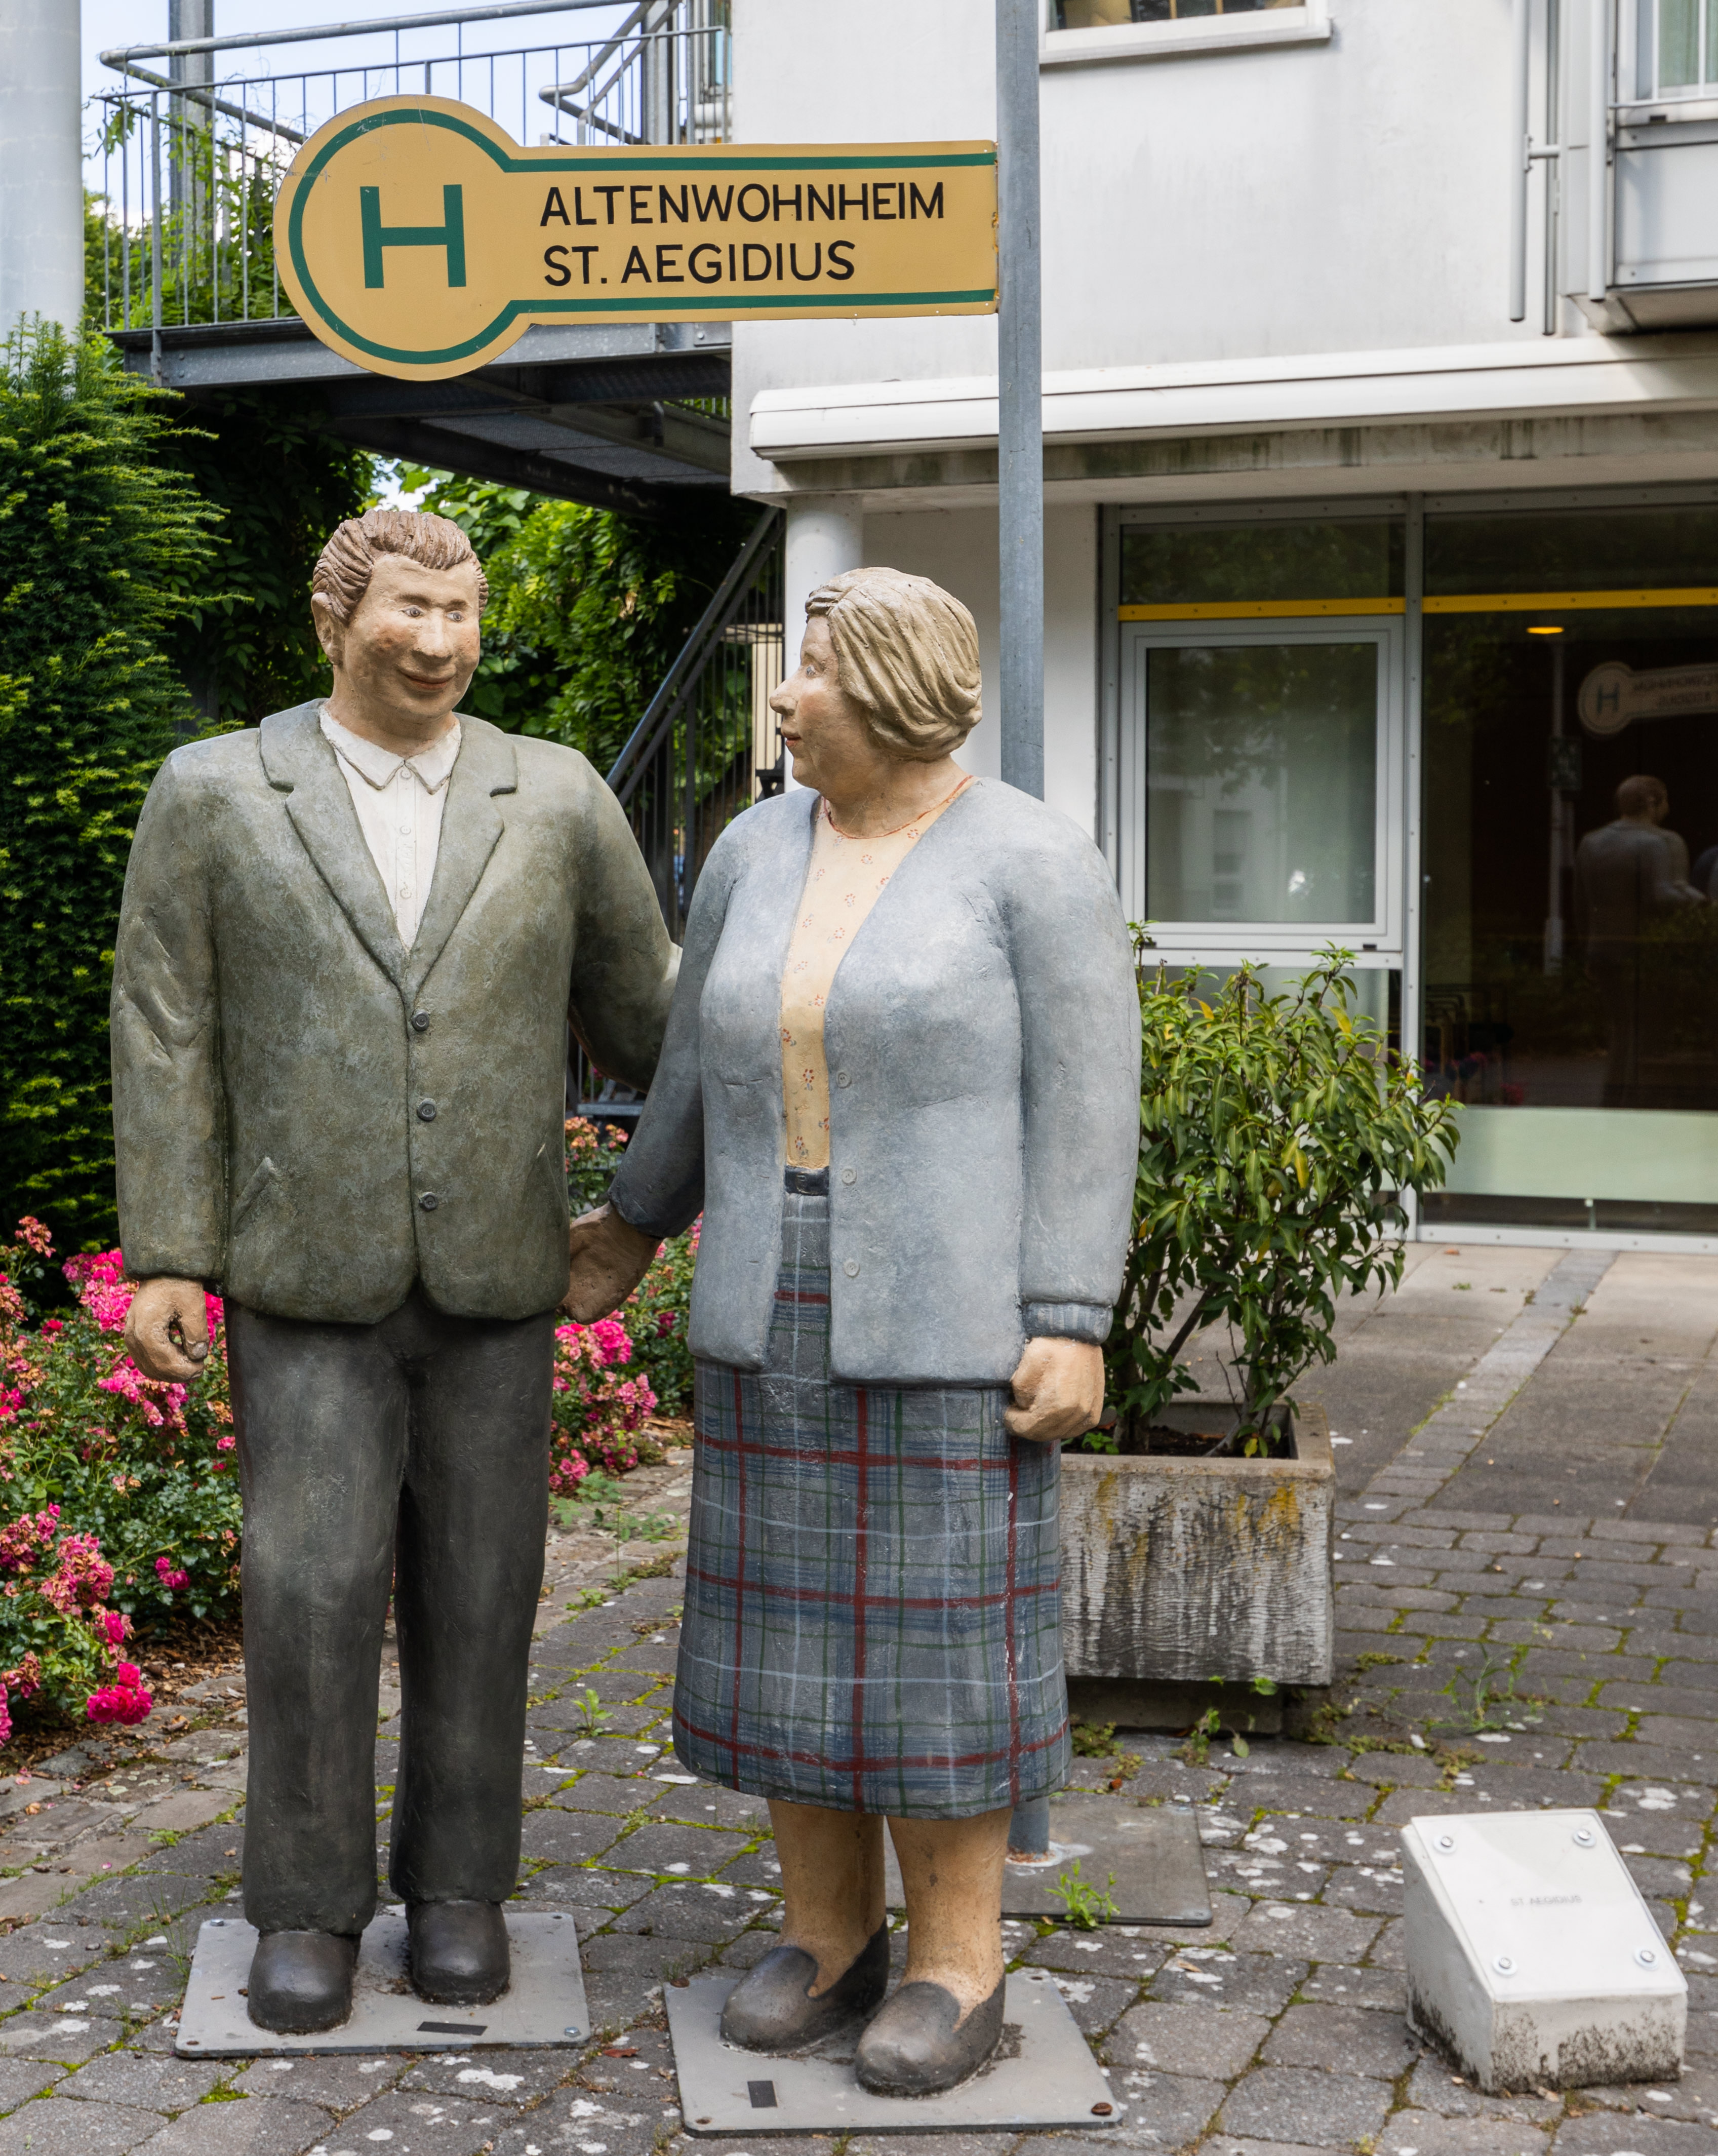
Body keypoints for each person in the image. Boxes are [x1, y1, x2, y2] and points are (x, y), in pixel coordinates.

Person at [565, 566, 1139, 2095]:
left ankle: (958, 1963)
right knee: (789, 1647)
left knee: (942, 1659)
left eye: (813, 668)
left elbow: (1089, 1107)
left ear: (891, 690)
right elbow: (694, 1071)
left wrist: (1072, 1317)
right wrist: (633, 1223)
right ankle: (828, 1940)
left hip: (953, 1317)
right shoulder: (753, 851)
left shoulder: (1032, 861)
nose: (787, 693)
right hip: (771, 1295)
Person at [112, 509, 674, 2033]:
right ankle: (304, 1905)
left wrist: (649, 1204)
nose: (438, 639)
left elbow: (655, 1024)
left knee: (486, 1590)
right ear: (334, 619)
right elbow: (165, 1030)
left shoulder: (555, 797)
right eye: (410, 609)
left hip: (501, 1276)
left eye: (462, 610)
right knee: (308, 1589)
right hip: (301, 1273)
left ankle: (460, 1892)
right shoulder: (216, 792)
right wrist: (170, 1251)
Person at [1573, 773, 1706, 1106]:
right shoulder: (1658, 843)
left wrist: (1587, 950)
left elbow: (1580, 902)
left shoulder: (1590, 842)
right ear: (1651, 803)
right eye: (1665, 799)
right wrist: (1705, 903)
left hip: (1603, 951)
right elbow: (1662, 896)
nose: (1668, 806)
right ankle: (1639, 1103)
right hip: (1643, 954)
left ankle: (1613, 1099)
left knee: (1620, 1029)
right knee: (1647, 1032)